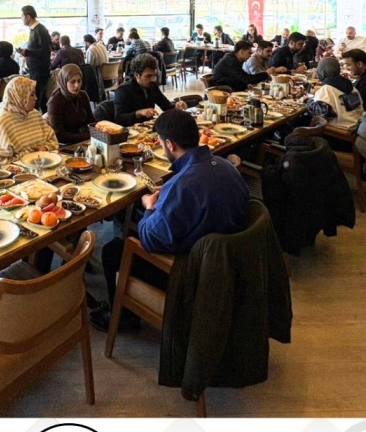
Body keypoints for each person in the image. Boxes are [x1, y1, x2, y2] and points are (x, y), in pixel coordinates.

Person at [90, 109, 250, 332]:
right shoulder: (226, 167)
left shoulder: (183, 185)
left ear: (170, 145)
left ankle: (123, 319)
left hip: (191, 271)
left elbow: (149, 240)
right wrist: (170, 191)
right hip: (228, 263)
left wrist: (149, 207)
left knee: (113, 250)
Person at [0, 75, 58, 170]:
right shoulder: (2, 122)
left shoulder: (34, 114)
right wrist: (28, 156)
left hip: (41, 166)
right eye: (32, 95)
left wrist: (45, 148)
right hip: (17, 174)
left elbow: (53, 140)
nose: (36, 98)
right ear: (19, 96)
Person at [114, 54, 186, 127]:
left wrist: (176, 106)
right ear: (137, 75)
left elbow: (166, 106)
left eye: (154, 75)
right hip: (131, 130)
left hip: (148, 128)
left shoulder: (152, 86)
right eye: (148, 76)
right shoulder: (123, 90)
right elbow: (119, 119)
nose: (153, 79)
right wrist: (139, 113)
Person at [46, 64, 94, 144]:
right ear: (64, 82)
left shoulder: (83, 95)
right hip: (66, 144)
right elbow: (59, 135)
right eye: (72, 82)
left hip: (85, 139)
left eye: (79, 81)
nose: (77, 85)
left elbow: (91, 121)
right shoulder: (54, 102)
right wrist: (86, 136)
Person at [311, 57, 363, 130]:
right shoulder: (350, 86)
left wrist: (307, 101)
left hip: (341, 127)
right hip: (357, 124)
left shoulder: (327, 89)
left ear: (321, 72)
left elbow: (321, 113)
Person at [16, 5, 52, 111]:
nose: (21, 18)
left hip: (40, 71)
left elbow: (45, 51)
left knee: (36, 98)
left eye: (22, 16)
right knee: (40, 98)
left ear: (28, 17)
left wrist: (27, 52)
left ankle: (37, 119)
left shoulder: (40, 30)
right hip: (35, 70)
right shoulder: (33, 30)